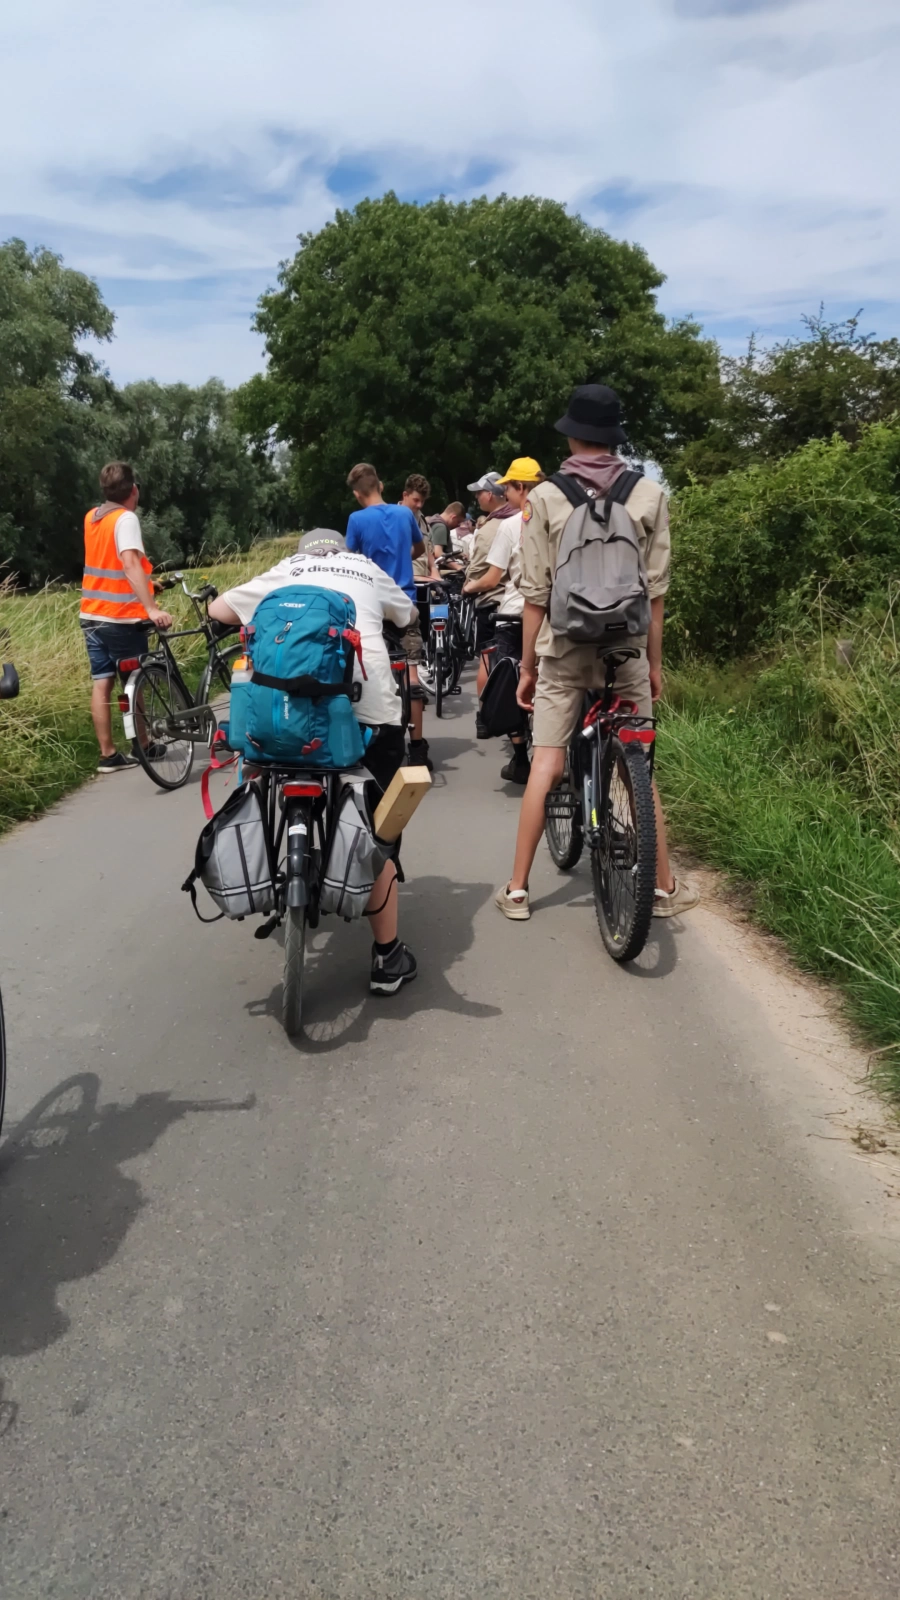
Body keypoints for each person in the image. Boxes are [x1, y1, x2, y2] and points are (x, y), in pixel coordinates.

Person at [494, 384, 699, 921]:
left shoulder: (545, 497)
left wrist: (529, 668)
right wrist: (653, 665)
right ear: (614, 436)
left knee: (546, 761)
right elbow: (656, 595)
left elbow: (535, 595)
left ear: (573, 434)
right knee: (641, 766)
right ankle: (664, 888)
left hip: (563, 648)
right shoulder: (649, 495)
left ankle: (517, 889)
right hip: (626, 649)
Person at [208, 531, 419, 995]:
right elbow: (408, 614)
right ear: (342, 552)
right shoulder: (366, 568)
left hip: (288, 715)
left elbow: (218, 611)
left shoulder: (287, 571)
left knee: (262, 767)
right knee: (378, 823)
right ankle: (388, 957)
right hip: (366, 710)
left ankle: (261, 873)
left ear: (303, 554)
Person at [80, 461, 173, 773]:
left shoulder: (92, 517)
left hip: (92, 614)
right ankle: (143, 746)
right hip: (121, 618)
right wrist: (152, 609)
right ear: (134, 490)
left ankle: (108, 755)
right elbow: (129, 563)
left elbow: (109, 567)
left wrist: (149, 586)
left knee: (101, 682)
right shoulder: (126, 518)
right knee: (136, 680)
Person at [346, 462, 432, 769]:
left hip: (371, 606)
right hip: (404, 603)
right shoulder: (404, 514)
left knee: (365, 670)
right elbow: (420, 549)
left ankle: (372, 739)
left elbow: (352, 563)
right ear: (381, 486)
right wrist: (402, 558)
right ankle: (419, 748)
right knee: (411, 674)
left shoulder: (356, 520)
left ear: (358, 494)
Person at [464, 457, 543, 785]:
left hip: (513, 614)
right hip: (552, 615)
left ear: (520, 488)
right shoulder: (560, 519)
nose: (505, 492)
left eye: (508, 487)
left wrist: (470, 586)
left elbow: (494, 576)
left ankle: (521, 759)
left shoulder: (511, 526)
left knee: (511, 681)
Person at [463, 471, 518, 725]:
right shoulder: (527, 521)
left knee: (488, 657)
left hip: (494, 602)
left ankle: (485, 717)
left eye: (480, 492)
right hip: (526, 604)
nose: (476, 497)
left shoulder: (492, 528)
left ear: (492, 495)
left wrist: (467, 586)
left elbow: (483, 574)